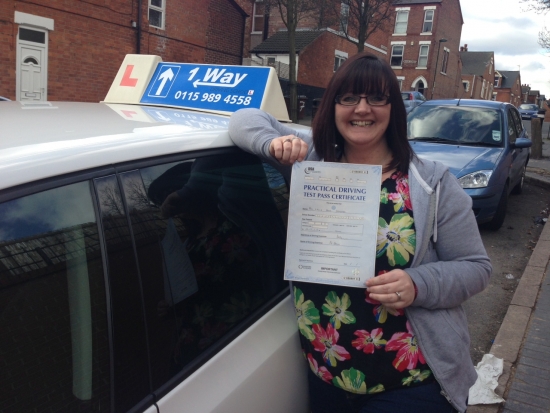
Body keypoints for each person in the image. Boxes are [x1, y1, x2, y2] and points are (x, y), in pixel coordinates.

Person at [228, 52, 492, 413]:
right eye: (349, 98)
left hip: (408, 379)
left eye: (376, 98)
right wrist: (271, 144)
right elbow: (245, 119)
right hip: (327, 373)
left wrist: (419, 284)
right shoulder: (312, 165)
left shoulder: (432, 182)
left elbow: (476, 267)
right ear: (333, 107)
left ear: (393, 108)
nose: (362, 109)